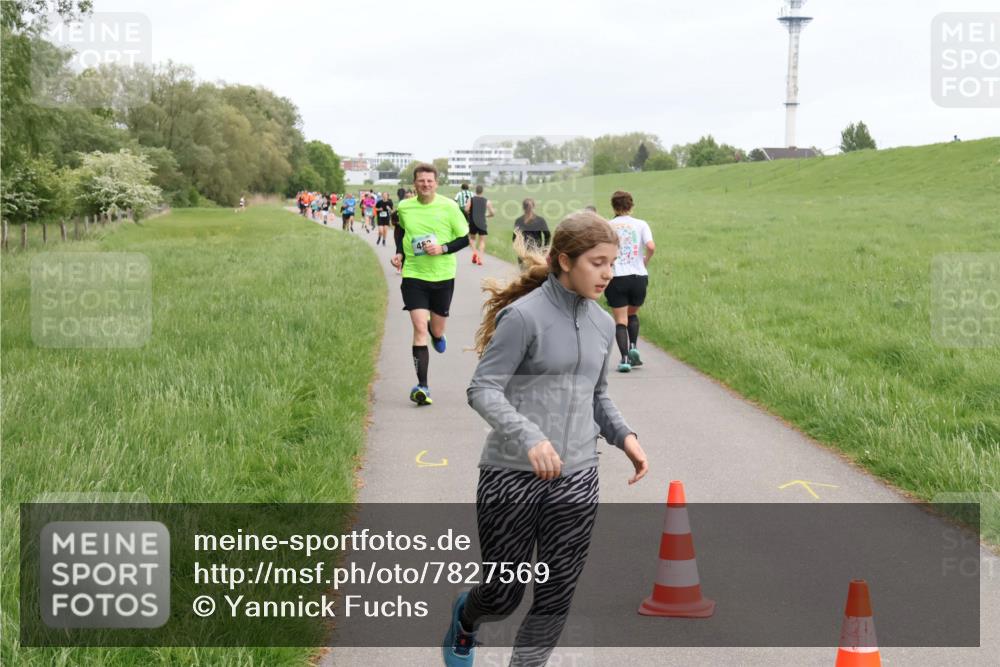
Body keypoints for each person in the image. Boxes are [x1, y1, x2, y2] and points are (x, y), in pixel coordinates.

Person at [444, 210, 649, 667]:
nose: (608, 273)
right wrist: (530, 438)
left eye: (612, 262)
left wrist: (624, 436)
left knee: (556, 593)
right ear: (563, 260)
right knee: (502, 594)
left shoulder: (600, 324)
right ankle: (466, 618)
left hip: (578, 476)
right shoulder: (523, 317)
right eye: (597, 262)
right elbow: (483, 388)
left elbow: (596, 394)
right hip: (510, 475)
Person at [390, 163, 470, 406]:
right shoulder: (405, 206)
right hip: (414, 275)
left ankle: (437, 333)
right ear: (414, 183)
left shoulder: (449, 206)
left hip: (443, 276)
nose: (425, 184)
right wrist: (400, 253)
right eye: (421, 180)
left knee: (435, 330)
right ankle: (423, 387)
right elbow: (401, 231)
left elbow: (464, 238)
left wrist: (442, 248)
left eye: (430, 181)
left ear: (436, 183)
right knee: (419, 329)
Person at [604, 191, 655, 372]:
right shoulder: (641, 224)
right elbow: (650, 246)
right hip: (638, 276)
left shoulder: (608, 226)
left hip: (617, 277)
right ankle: (633, 346)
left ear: (613, 206)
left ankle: (625, 359)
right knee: (632, 315)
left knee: (620, 321)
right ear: (631, 205)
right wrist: (644, 261)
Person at [464, 184, 494, 266]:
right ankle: (480, 259)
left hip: (473, 221)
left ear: (475, 191)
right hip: (482, 222)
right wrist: (486, 215)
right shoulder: (487, 201)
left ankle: (475, 253)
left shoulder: (471, 199)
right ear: (482, 191)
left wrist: (469, 213)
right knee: (482, 241)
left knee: (472, 239)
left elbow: (466, 209)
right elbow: (492, 213)